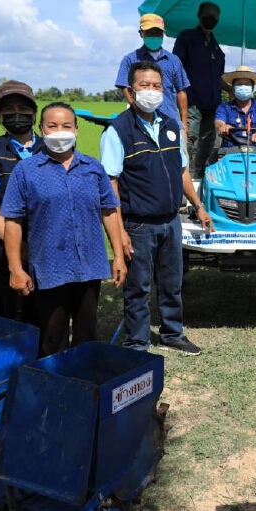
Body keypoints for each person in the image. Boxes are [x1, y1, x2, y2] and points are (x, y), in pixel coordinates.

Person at [102, 61, 213, 354]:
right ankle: (137, 342)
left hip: (170, 220)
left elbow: (183, 171)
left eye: (157, 86)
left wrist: (198, 206)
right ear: (129, 92)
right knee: (138, 286)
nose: (151, 92)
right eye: (144, 86)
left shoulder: (171, 126)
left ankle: (172, 333)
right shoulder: (118, 131)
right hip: (137, 224)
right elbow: (110, 186)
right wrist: (119, 234)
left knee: (172, 281)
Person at [0, 103, 128, 356]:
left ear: (76, 130)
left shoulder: (93, 168)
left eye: (66, 126)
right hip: (50, 267)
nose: (60, 131)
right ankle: (55, 384)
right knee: (52, 336)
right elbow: (12, 221)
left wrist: (119, 256)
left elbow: (109, 211)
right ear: (41, 129)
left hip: (89, 265)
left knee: (87, 333)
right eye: (53, 126)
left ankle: (84, 383)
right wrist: (15, 268)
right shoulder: (26, 171)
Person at [0, 80, 40, 322]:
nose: (17, 115)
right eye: (8, 110)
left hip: (45, 248)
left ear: (34, 113)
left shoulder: (49, 147)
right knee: (11, 310)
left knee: (45, 310)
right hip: (3, 247)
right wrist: (18, 247)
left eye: (23, 109)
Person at [174, 2, 226, 179]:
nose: (211, 18)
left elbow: (220, 78)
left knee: (208, 143)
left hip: (212, 105)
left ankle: (200, 177)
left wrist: (233, 89)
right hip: (192, 102)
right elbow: (176, 67)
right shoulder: (187, 37)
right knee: (188, 141)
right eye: (208, 14)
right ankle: (184, 179)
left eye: (215, 15)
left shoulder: (217, 48)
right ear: (199, 15)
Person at [115, 13, 191, 133]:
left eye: (158, 32)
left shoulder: (173, 60)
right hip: (140, 124)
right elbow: (126, 88)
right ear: (141, 34)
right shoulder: (130, 59)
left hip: (172, 122)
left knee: (179, 152)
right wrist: (140, 110)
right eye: (150, 32)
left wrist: (184, 123)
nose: (154, 36)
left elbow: (181, 91)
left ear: (163, 34)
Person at [215, 65, 256, 151]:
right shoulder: (224, 107)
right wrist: (222, 126)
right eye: (239, 84)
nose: (243, 87)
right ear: (233, 88)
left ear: (252, 88)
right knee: (212, 162)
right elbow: (218, 122)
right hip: (230, 151)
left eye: (246, 84)